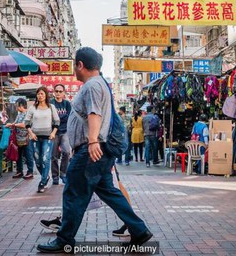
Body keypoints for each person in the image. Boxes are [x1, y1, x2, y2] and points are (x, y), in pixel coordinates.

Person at [37, 47, 152, 253]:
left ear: (80, 65)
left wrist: (91, 141)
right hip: (98, 149)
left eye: (74, 65)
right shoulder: (99, 85)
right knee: (108, 192)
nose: (74, 69)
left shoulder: (92, 86)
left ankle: (64, 239)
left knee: (73, 191)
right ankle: (139, 230)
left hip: (92, 150)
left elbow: (94, 113)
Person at [25, 87, 59, 193]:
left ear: (46, 95)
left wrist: (53, 133)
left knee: (45, 159)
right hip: (35, 138)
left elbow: (57, 122)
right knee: (38, 161)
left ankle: (42, 182)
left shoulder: (51, 107)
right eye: (38, 94)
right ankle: (46, 176)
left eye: (42, 94)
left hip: (48, 138)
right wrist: (31, 133)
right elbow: (27, 122)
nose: (40, 96)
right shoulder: (32, 108)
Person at [5, 98, 34, 180]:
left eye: (17, 105)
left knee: (28, 155)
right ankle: (19, 171)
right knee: (18, 156)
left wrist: (13, 125)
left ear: (21, 105)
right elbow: (16, 123)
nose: (16, 107)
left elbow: (23, 125)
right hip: (18, 139)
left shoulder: (28, 114)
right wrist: (11, 124)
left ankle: (30, 172)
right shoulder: (19, 114)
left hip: (26, 138)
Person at [50, 84, 71, 186]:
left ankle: (63, 173)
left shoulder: (67, 104)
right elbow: (51, 117)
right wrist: (61, 118)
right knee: (53, 155)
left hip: (65, 131)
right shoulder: (51, 104)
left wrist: (58, 118)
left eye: (60, 91)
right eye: (56, 91)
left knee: (66, 152)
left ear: (63, 93)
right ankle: (55, 176)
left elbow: (69, 117)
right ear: (54, 92)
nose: (58, 93)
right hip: (53, 132)